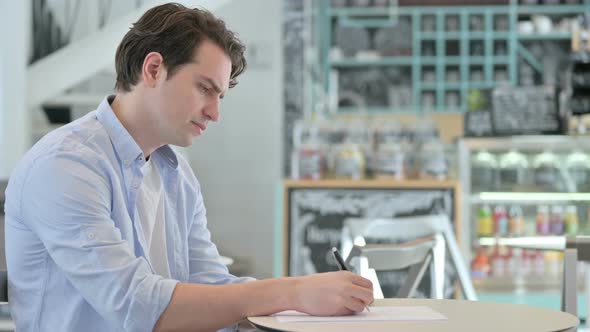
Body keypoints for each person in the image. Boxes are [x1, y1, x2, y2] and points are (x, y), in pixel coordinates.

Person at [4, 3, 373, 332]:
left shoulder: (176, 174)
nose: (215, 112)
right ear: (153, 69)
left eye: (220, 96)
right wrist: (294, 291)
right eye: (204, 89)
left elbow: (211, 287)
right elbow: (135, 306)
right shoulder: (65, 166)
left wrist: (309, 302)